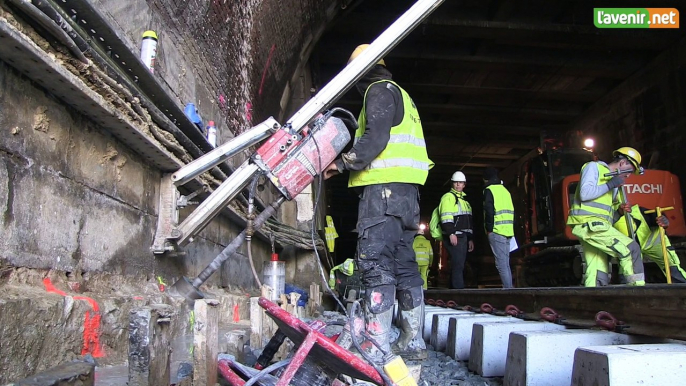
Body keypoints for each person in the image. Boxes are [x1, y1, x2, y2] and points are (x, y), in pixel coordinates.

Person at [323, 44, 433, 360]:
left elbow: (375, 138)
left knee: (374, 263)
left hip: (383, 191)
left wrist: (341, 163)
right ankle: (413, 343)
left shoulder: (379, 90)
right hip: (406, 196)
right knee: (404, 265)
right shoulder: (403, 95)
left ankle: (376, 344)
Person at [567, 147, 645, 287]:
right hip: (589, 224)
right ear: (622, 164)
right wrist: (611, 184)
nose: (628, 176)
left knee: (598, 269)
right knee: (631, 249)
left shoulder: (613, 185)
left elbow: (607, 217)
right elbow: (585, 194)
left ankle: (594, 300)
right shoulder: (594, 167)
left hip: (598, 226)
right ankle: (639, 292)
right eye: (629, 171)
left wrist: (619, 213)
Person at [614, 205, 686, 283]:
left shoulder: (640, 212)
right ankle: (631, 293)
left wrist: (664, 221)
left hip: (655, 243)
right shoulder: (612, 217)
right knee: (629, 273)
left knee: (672, 267)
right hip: (631, 247)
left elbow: (658, 216)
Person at [439, 171, 474, 289]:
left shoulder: (464, 201)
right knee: (458, 265)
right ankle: (458, 292)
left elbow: (468, 222)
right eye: (456, 182)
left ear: (464, 184)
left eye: (461, 183)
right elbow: (445, 216)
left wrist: (470, 239)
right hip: (455, 236)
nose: (458, 185)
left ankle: (453, 291)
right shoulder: (448, 197)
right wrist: (451, 233)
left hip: (463, 237)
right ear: (452, 184)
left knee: (459, 264)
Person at [483, 167, 515, 288]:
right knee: (506, 263)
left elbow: (489, 211)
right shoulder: (505, 191)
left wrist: (489, 229)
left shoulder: (489, 190)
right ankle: (509, 288)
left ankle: (508, 291)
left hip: (496, 231)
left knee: (501, 264)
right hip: (508, 231)